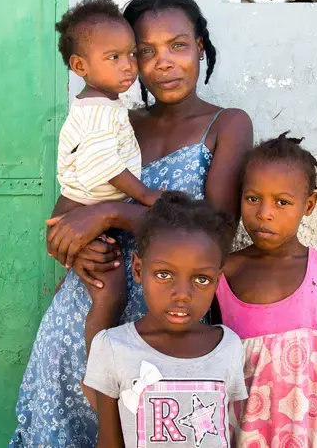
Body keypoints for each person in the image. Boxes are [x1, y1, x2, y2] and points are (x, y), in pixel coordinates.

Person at [10, 0, 253, 447]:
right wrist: (71, 246)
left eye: (178, 45)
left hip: (159, 329)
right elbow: (67, 210)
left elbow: (216, 233)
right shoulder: (116, 120)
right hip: (77, 316)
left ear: (200, 46)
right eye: (145, 51)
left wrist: (107, 214)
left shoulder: (227, 124)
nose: (163, 61)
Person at [214, 133, 317, 448]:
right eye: (252, 198)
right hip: (239, 435)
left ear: (309, 205)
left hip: (299, 434)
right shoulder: (225, 273)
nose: (264, 213)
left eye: (282, 202)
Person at [84, 192, 247, 448]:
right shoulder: (112, 348)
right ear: (138, 269)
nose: (182, 295)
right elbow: (108, 441)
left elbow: (231, 435)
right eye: (164, 274)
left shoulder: (228, 347)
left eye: (201, 279)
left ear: (217, 280)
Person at [55, 0, 161, 207]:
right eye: (114, 57)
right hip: (78, 211)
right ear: (80, 66)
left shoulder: (99, 104)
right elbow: (104, 162)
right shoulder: (98, 112)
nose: (128, 65)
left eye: (132, 53)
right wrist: (146, 195)